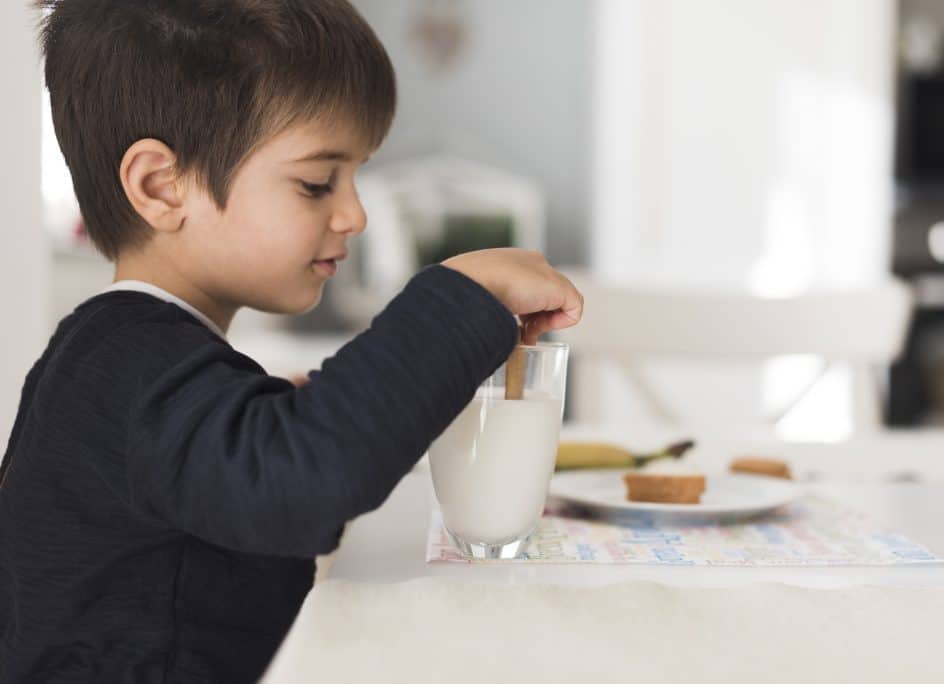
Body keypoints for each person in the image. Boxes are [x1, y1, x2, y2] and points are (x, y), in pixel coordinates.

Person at [0, 1, 583, 681]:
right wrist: (462, 295)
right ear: (162, 186)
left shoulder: (126, 356)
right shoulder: (127, 365)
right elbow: (306, 482)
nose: (355, 213)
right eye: (316, 183)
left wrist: (278, 416)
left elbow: (248, 482)